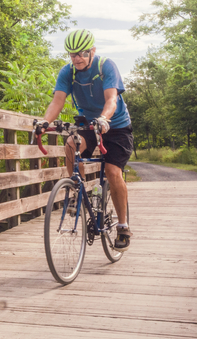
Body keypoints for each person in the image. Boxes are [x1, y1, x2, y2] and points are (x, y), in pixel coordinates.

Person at [37, 28, 134, 249]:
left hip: (116, 126)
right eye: (72, 54)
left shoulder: (105, 66)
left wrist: (103, 118)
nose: (76, 58)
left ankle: (122, 226)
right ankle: (77, 191)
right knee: (72, 144)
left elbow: (112, 100)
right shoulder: (68, 72)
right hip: (89, 125)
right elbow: (57, 101)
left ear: (92, 51)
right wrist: (45, 122)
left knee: (112, 172)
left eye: (81, 53)